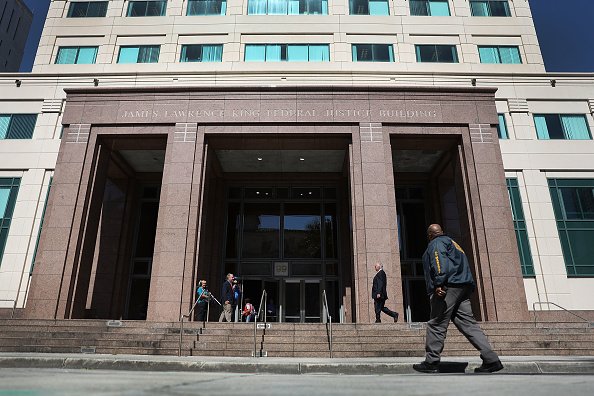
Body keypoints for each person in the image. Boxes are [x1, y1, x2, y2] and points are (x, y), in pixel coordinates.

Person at [413, 224, 503, 374]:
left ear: (430, 235)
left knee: (436, 323)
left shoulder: (436, 243)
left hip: (448, 288)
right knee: (469, 324)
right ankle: (491, 359)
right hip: (462, 288)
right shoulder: (454, 243)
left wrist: (439, 283)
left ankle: (431, 361)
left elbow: (439, 261)